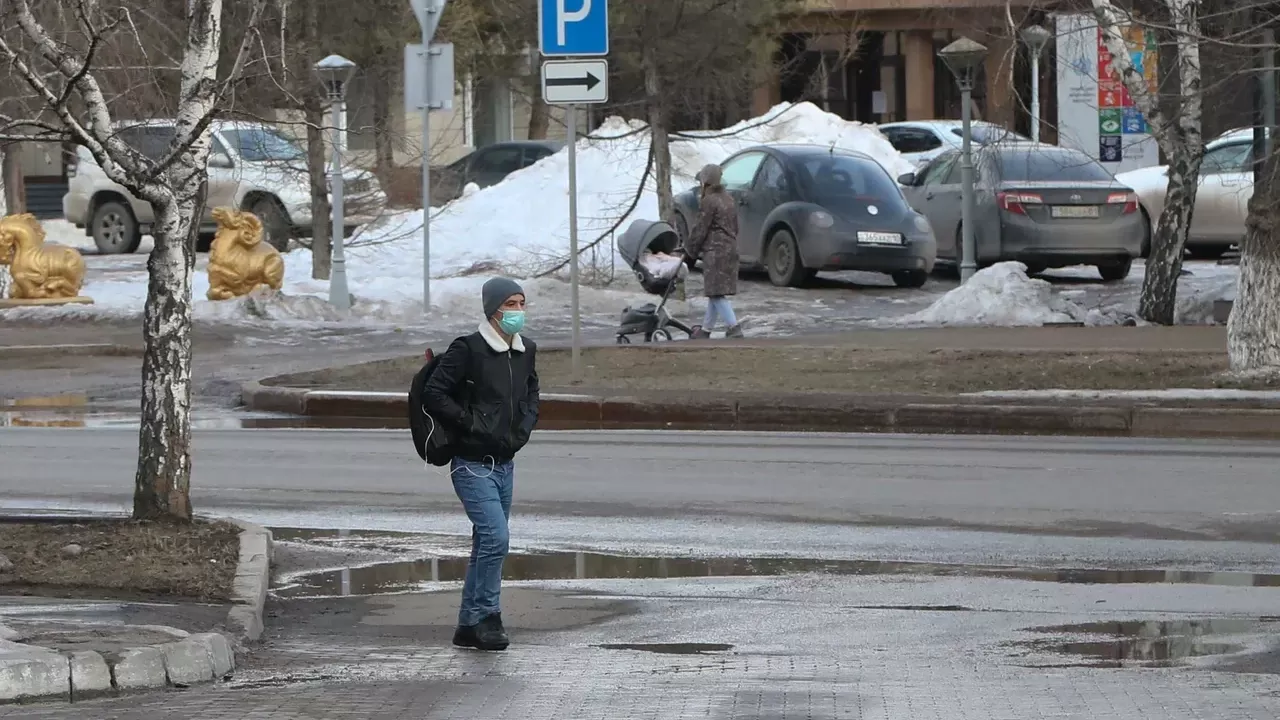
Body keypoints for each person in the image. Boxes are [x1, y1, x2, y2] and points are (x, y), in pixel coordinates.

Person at [422, 277, 540, 652]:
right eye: (510, 304)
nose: (517, 311)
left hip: (505, 463)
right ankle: (489, 616)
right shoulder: (469, 349)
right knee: (496, 538)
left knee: (485, 543)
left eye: (522, 303)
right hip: (471, 463)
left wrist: (523, 428)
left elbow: (531, 395)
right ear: (493, 309)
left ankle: (468, 625)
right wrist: (470, 422)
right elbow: (434, 392)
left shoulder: (525, 350)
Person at [684, 163, 743, 339]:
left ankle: (734, 328)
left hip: (715, 252)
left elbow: (700, 229)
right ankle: (706, 330)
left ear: (706, 181)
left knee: (716, 293)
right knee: (715, 292)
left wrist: (690, 252)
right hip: (730, 249)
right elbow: (736, 227)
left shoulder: (708, 201)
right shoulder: (728, 199)